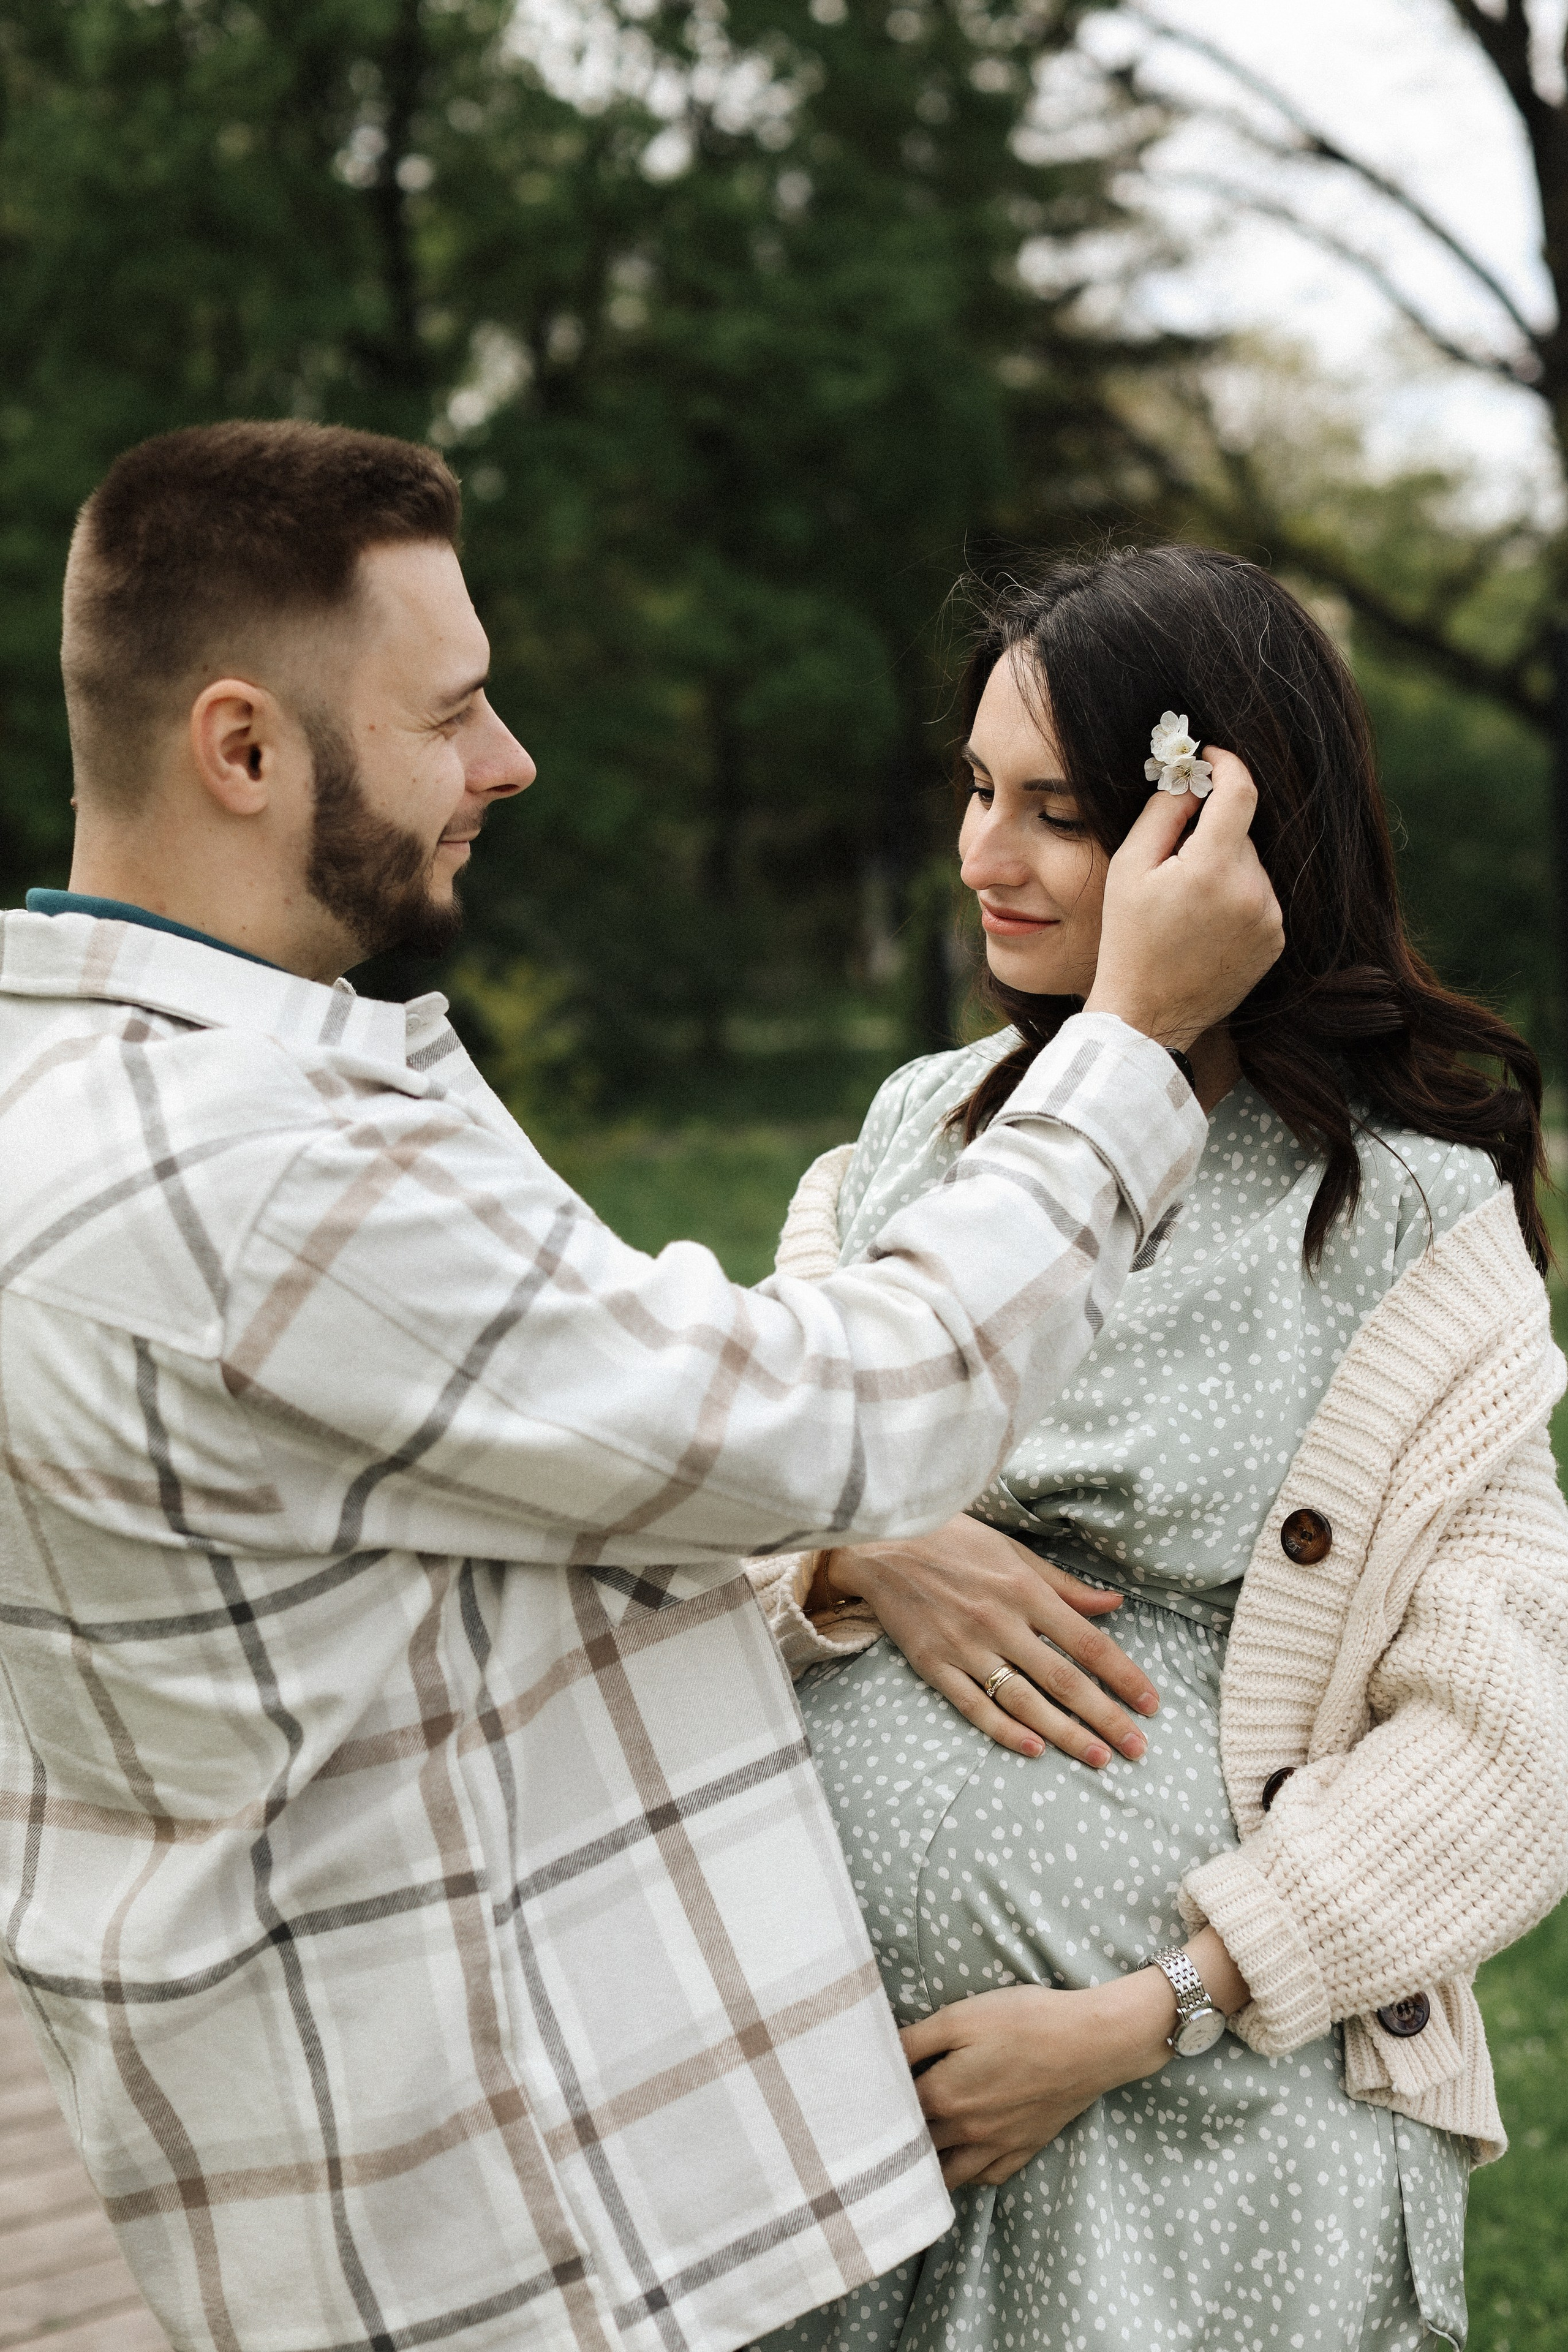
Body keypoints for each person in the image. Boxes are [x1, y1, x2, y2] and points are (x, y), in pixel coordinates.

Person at [0, 428, 1282, 2352]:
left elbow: (591, 1443)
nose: (508, 760)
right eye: (451, 712)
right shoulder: (252, 1176)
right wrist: (1133, 1051)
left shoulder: (126, 1083)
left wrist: (841, 1568)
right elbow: (847, 1414)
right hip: (500, 2244)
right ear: (245, 751)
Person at [748, 546, 1568, 2352]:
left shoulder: (1409, 1231)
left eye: (1057, 811)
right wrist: (858, 1548)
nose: (982, 855)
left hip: (1188, 2139)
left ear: (1216, 829)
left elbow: (1511, 1747)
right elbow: (701, 1499)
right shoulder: (917, 1138)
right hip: (819, 2110)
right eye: (974, 792)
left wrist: (1147, 2013)